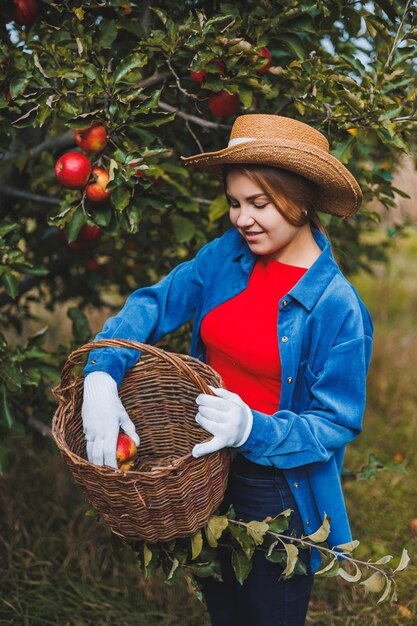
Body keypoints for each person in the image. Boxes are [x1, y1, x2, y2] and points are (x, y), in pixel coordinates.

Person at [81, 114, 373, 626]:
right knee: (223, 610)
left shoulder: (337, 306)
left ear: (301, 202)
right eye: (236, 203)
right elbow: (153, 304)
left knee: (268, 613)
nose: (242, 219)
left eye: (260, 204)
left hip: (278, 486)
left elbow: (336, 421)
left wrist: (252, 427)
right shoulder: (225, 258)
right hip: (202, 469)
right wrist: (103, 372)